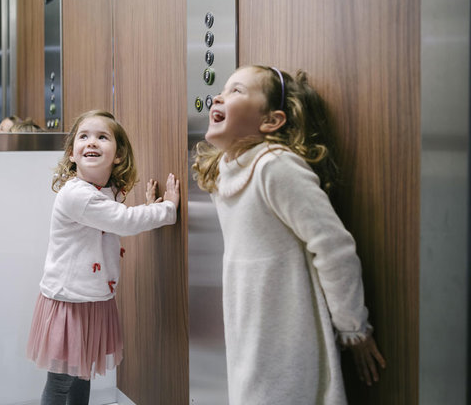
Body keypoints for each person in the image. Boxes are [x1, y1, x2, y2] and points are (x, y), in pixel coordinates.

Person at [192, 65, 386, 405]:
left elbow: (333, 246)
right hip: (247, 324)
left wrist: (353, 326)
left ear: (271, 121)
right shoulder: (224, 172)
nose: (219, 96)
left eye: (237, 91)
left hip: (286, 330)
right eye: (223, 89)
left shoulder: (274, 166)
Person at [27, 110, 180, 405]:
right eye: (83, 137)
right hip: (69, 300)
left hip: (91, 297)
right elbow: (122, 221)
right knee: (61, 381)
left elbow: (114, 217)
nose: (91, 142)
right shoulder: (77, 195)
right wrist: (166, 209)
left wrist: (147, 207)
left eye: (102, 137)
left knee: (82, 375)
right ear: (72, 153)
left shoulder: (103, 192)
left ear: (118, 155)